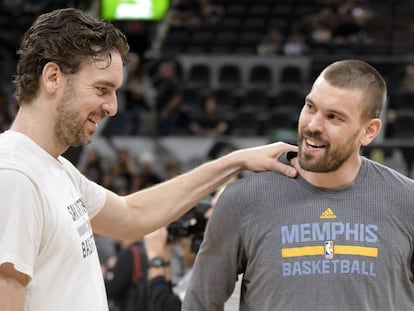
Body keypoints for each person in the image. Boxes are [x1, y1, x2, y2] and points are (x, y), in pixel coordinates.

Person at [0, 8, 298, 310]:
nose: (113, 107)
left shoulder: (55, 168)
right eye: (102, 89)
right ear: (52, 77)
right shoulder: (15, 176)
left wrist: (235, 162)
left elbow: (133, 216)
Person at [183, 59, 414, 310]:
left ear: (369, 131)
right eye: (310, 107)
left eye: (333, 117)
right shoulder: (243, 199)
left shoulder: (406, 201)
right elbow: (199, 304)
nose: (313, 125)